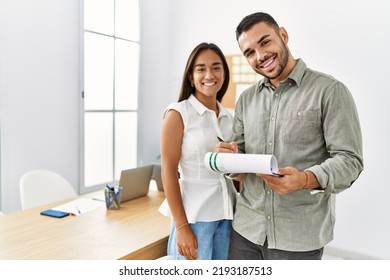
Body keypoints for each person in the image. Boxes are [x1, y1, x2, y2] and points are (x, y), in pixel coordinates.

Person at [216, 12, 364, 260]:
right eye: (250, 52)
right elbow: (240, 154)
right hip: (245, 232)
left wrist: (305, 179)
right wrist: (229, 158)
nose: (260, 56)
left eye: (265, 42)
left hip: (299, 238)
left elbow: (350, 160)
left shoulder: (329, 91)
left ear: (283, 35)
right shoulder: (246, 100)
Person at [158, 42, 237, 260]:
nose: (209, 74)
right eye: (201, 68)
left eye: (216, 67)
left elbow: (236, 172)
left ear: (224, 73)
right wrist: (182, 227)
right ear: (191, 77)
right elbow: (168, 170)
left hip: (227, 215)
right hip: (194, 218)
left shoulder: (230, 117)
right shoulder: (178, 113)